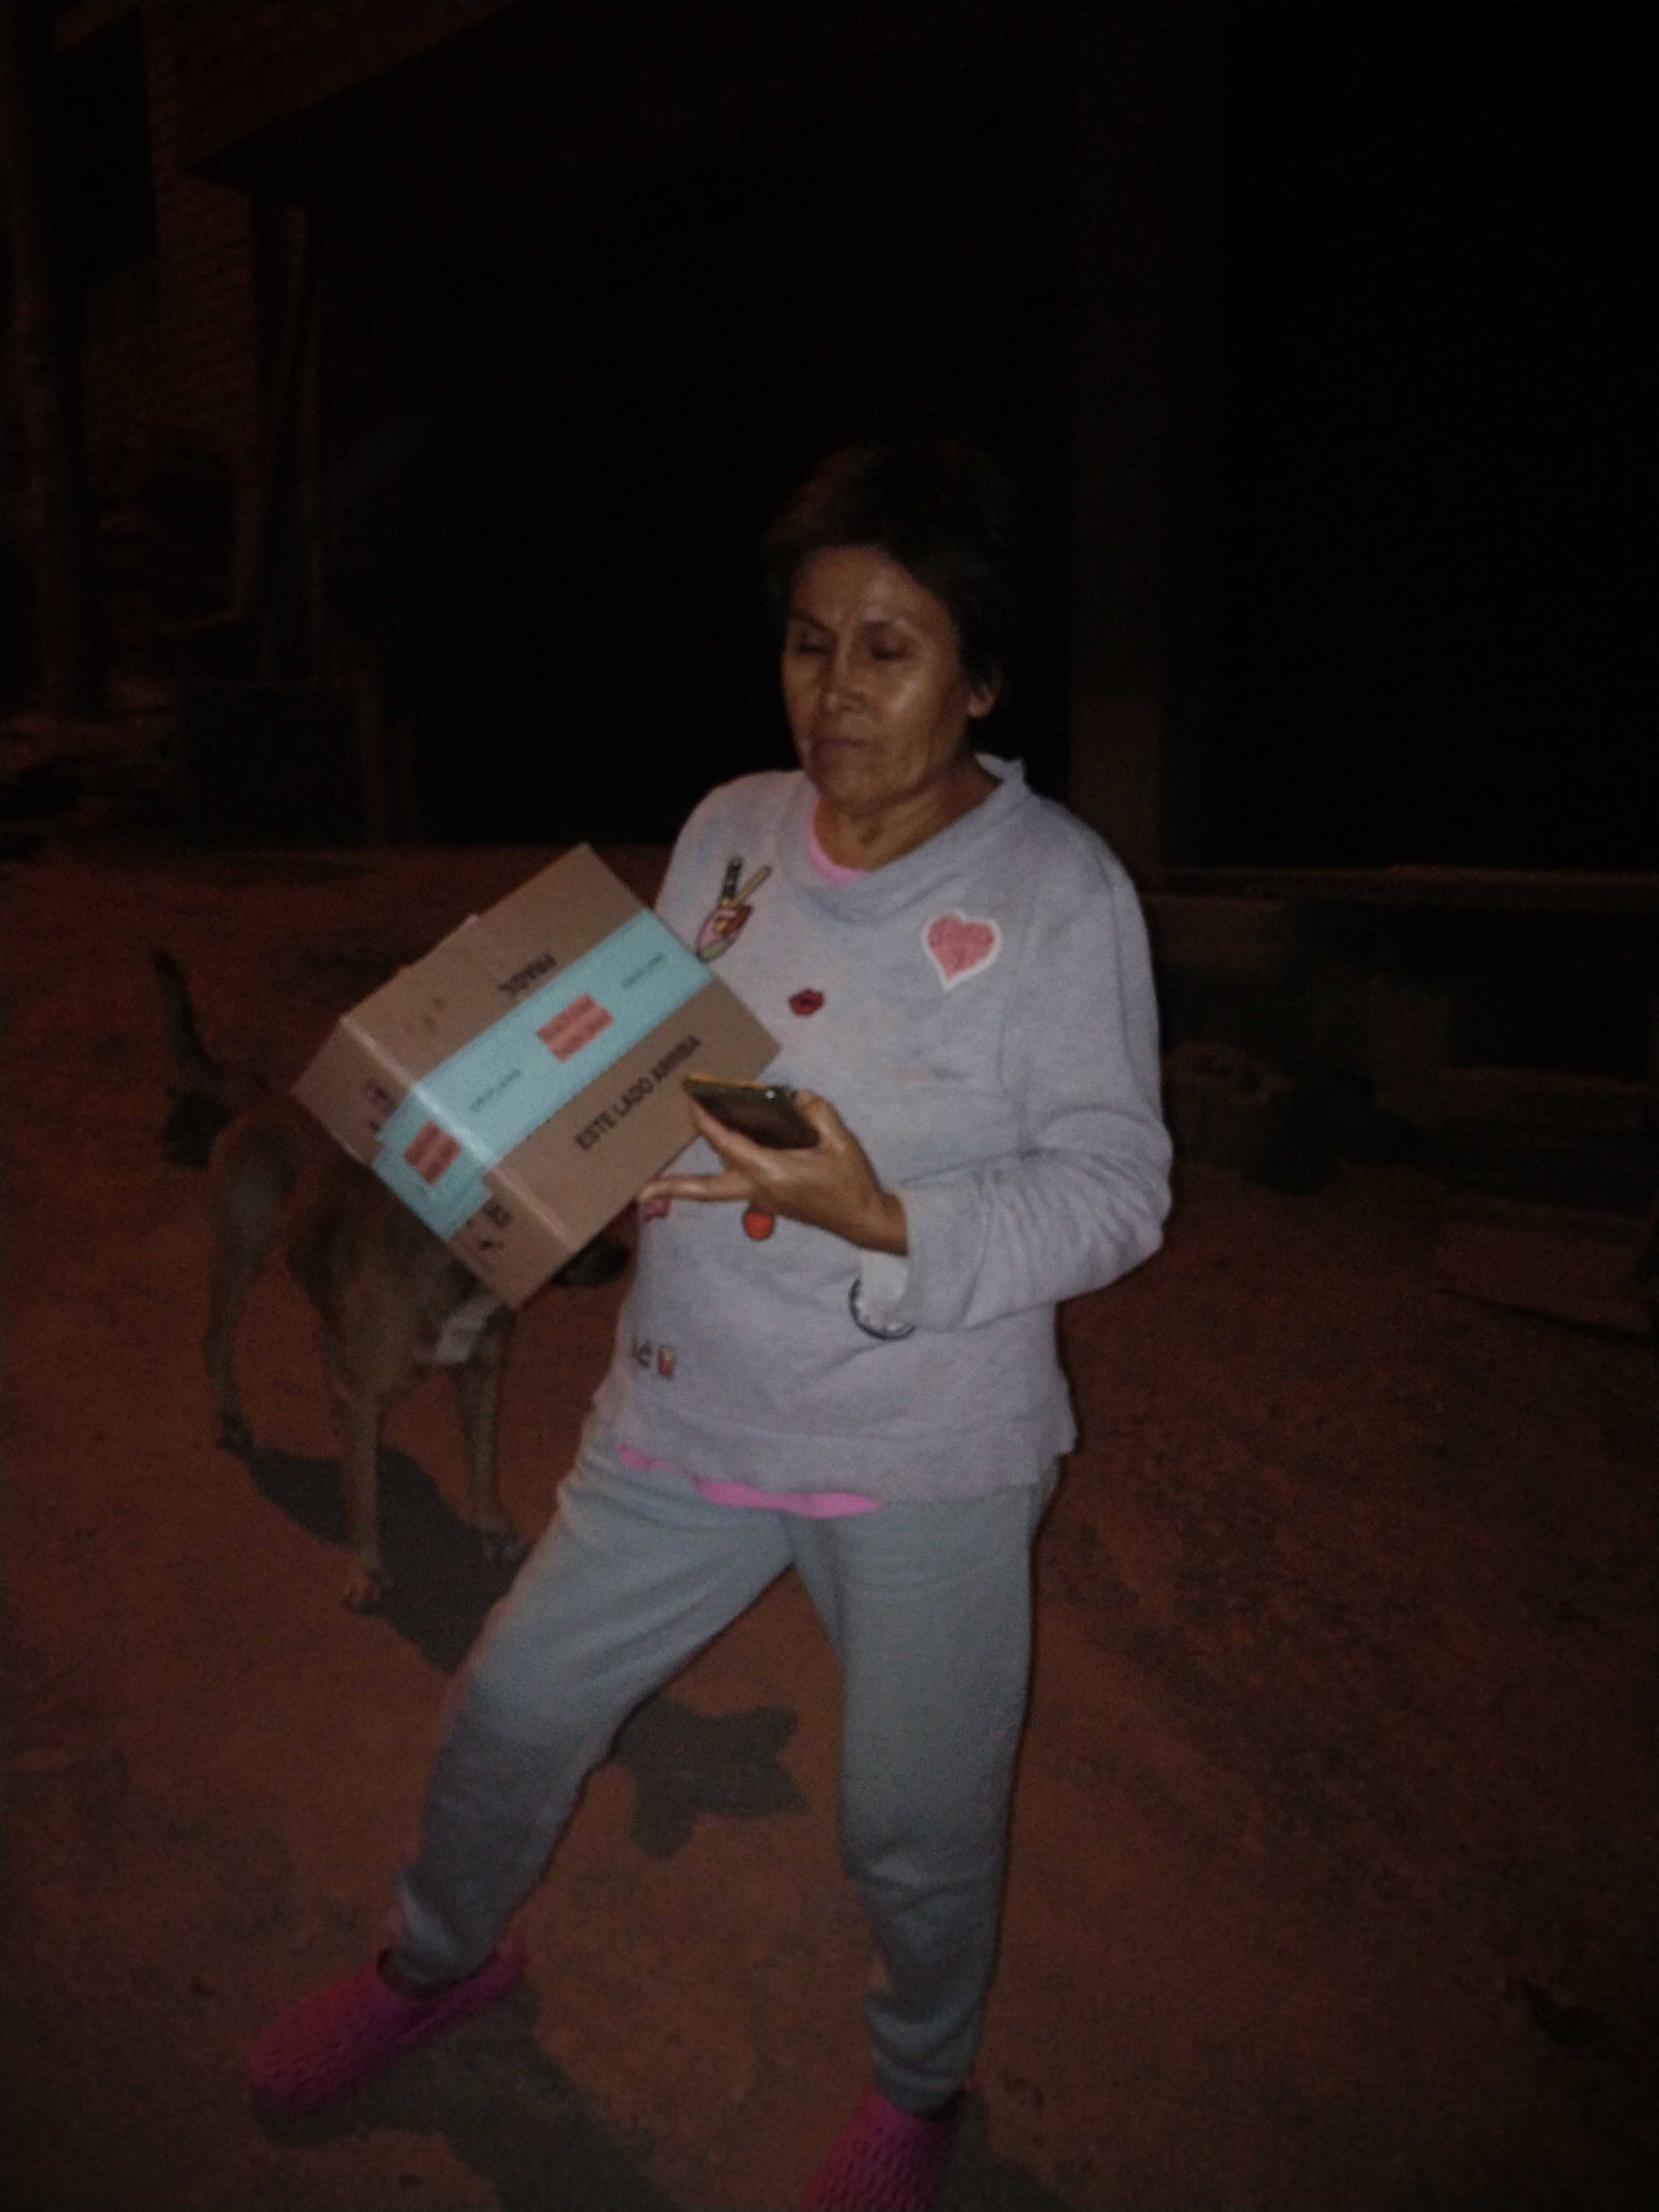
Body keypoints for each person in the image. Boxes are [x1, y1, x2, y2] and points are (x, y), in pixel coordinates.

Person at [248, 438, 1171, 2211]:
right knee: (511, 1706)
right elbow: (653, 1063)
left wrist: (885, 1217)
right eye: (811, 644)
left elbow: (1121, 1189)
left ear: (981, 676)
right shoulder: (734, 827)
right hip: (685, 1413)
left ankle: (918, 2089)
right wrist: (514, 1120)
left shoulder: (1059, 897)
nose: (837, 693)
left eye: (890, 649)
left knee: (913, 1826)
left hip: (924, 1456)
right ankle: (437, 1963)